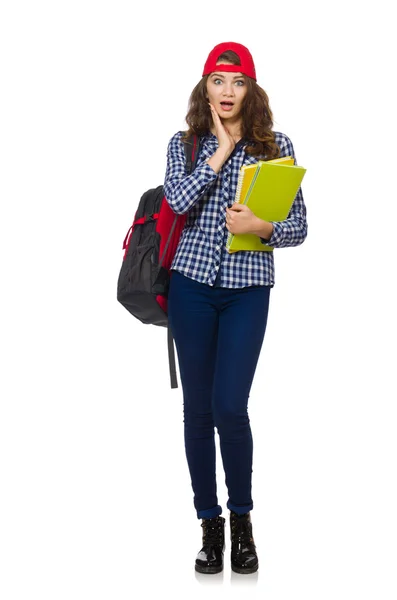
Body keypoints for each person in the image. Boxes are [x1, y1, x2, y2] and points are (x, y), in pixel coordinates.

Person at [163, 41, 308, 575]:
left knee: (230, 407)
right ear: (206, 86)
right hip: (191, 288)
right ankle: (209, 525)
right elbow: (177, 200)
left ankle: (243, 521)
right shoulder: (187, 143)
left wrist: (261, 227)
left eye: (238, 81)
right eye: (218, 81)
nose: (227, 92)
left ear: (252, 88)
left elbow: (299, 227)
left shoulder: (277, 144)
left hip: (248, 290)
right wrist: (219, 154)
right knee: (197, 413)